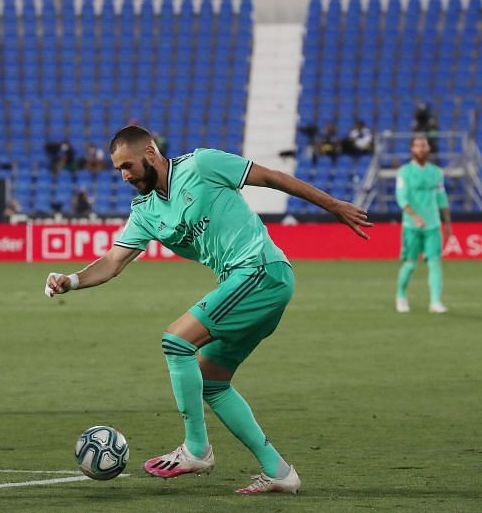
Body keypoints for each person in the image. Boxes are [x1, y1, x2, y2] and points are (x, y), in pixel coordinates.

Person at [44, 126, 370, 494]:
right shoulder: (146, 210)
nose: (124, 176)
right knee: (212, 381)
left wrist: (335, 206)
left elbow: (273, 178)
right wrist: (70, 280)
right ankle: (279, 472)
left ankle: (197, 450)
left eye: (127, 166)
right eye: (118, 169)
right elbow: (112, 262)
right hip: (243, 284)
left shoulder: (203, 165)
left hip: (261, 270)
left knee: (176, 342)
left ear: (150, 152)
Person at [395, 135, 451, 313]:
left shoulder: (436, 172)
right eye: (418, 146)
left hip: (433, 225)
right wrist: (415, 216)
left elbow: (442, 199)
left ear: (429, 149)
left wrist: (447, 224)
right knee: (410, 264)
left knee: (435, 263)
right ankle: (401, 296)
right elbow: (401, 198)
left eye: (424, 145)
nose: (421, 149)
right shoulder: (404, 172)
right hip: (412, 226)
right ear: (412, 149)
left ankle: (435, 302)